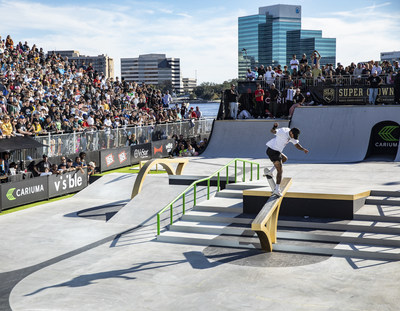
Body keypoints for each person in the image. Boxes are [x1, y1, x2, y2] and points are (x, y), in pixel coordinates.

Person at [264, 123, 309, 196]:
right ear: (290, 132)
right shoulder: (283, 131)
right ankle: (277, 189)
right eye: (292, 136)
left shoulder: (292, 136)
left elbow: (297, 145)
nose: (293, 137)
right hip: (273, 150)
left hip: (277, 152)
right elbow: (273, 131)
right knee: (280, 171)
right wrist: (274, 127)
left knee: (284, 159)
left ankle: (270, 171)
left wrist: (303, 149)